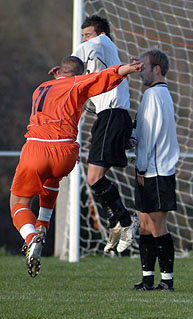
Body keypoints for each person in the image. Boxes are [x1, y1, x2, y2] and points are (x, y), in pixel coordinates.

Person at [10, 56, 143, 278]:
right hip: (66, 153)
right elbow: (102, 77)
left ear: (57, 72)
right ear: (79, 75)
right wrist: (126, 69)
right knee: (53, 178)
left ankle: (32, 237)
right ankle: (43, 224)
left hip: (36, 148)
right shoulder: (76, 83)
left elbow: (59, 90)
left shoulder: (40, 88)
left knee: (18, 202)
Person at [72, 15, 136, 253]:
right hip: (106, 117)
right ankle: (117, 219)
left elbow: (88, 47)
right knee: (95, 178)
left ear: (99, 34)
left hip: (113, 116)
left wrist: (70, 65)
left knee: (94, 178)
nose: (84, 39)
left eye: (87, 34)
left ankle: (125, 220)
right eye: (82, 36)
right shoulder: (101, 58)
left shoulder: (103, 43)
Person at [132, 49, 179, 291]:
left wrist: (140, 167)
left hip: (156, 171)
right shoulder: (158, 94)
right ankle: (148, 278)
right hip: (150, 168)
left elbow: (150, 137)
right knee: (145, 225)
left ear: (157, 69)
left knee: (158, 226)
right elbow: (143, 131)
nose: (141, 72)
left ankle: (167, 280)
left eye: (144, 67)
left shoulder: (154, 95)